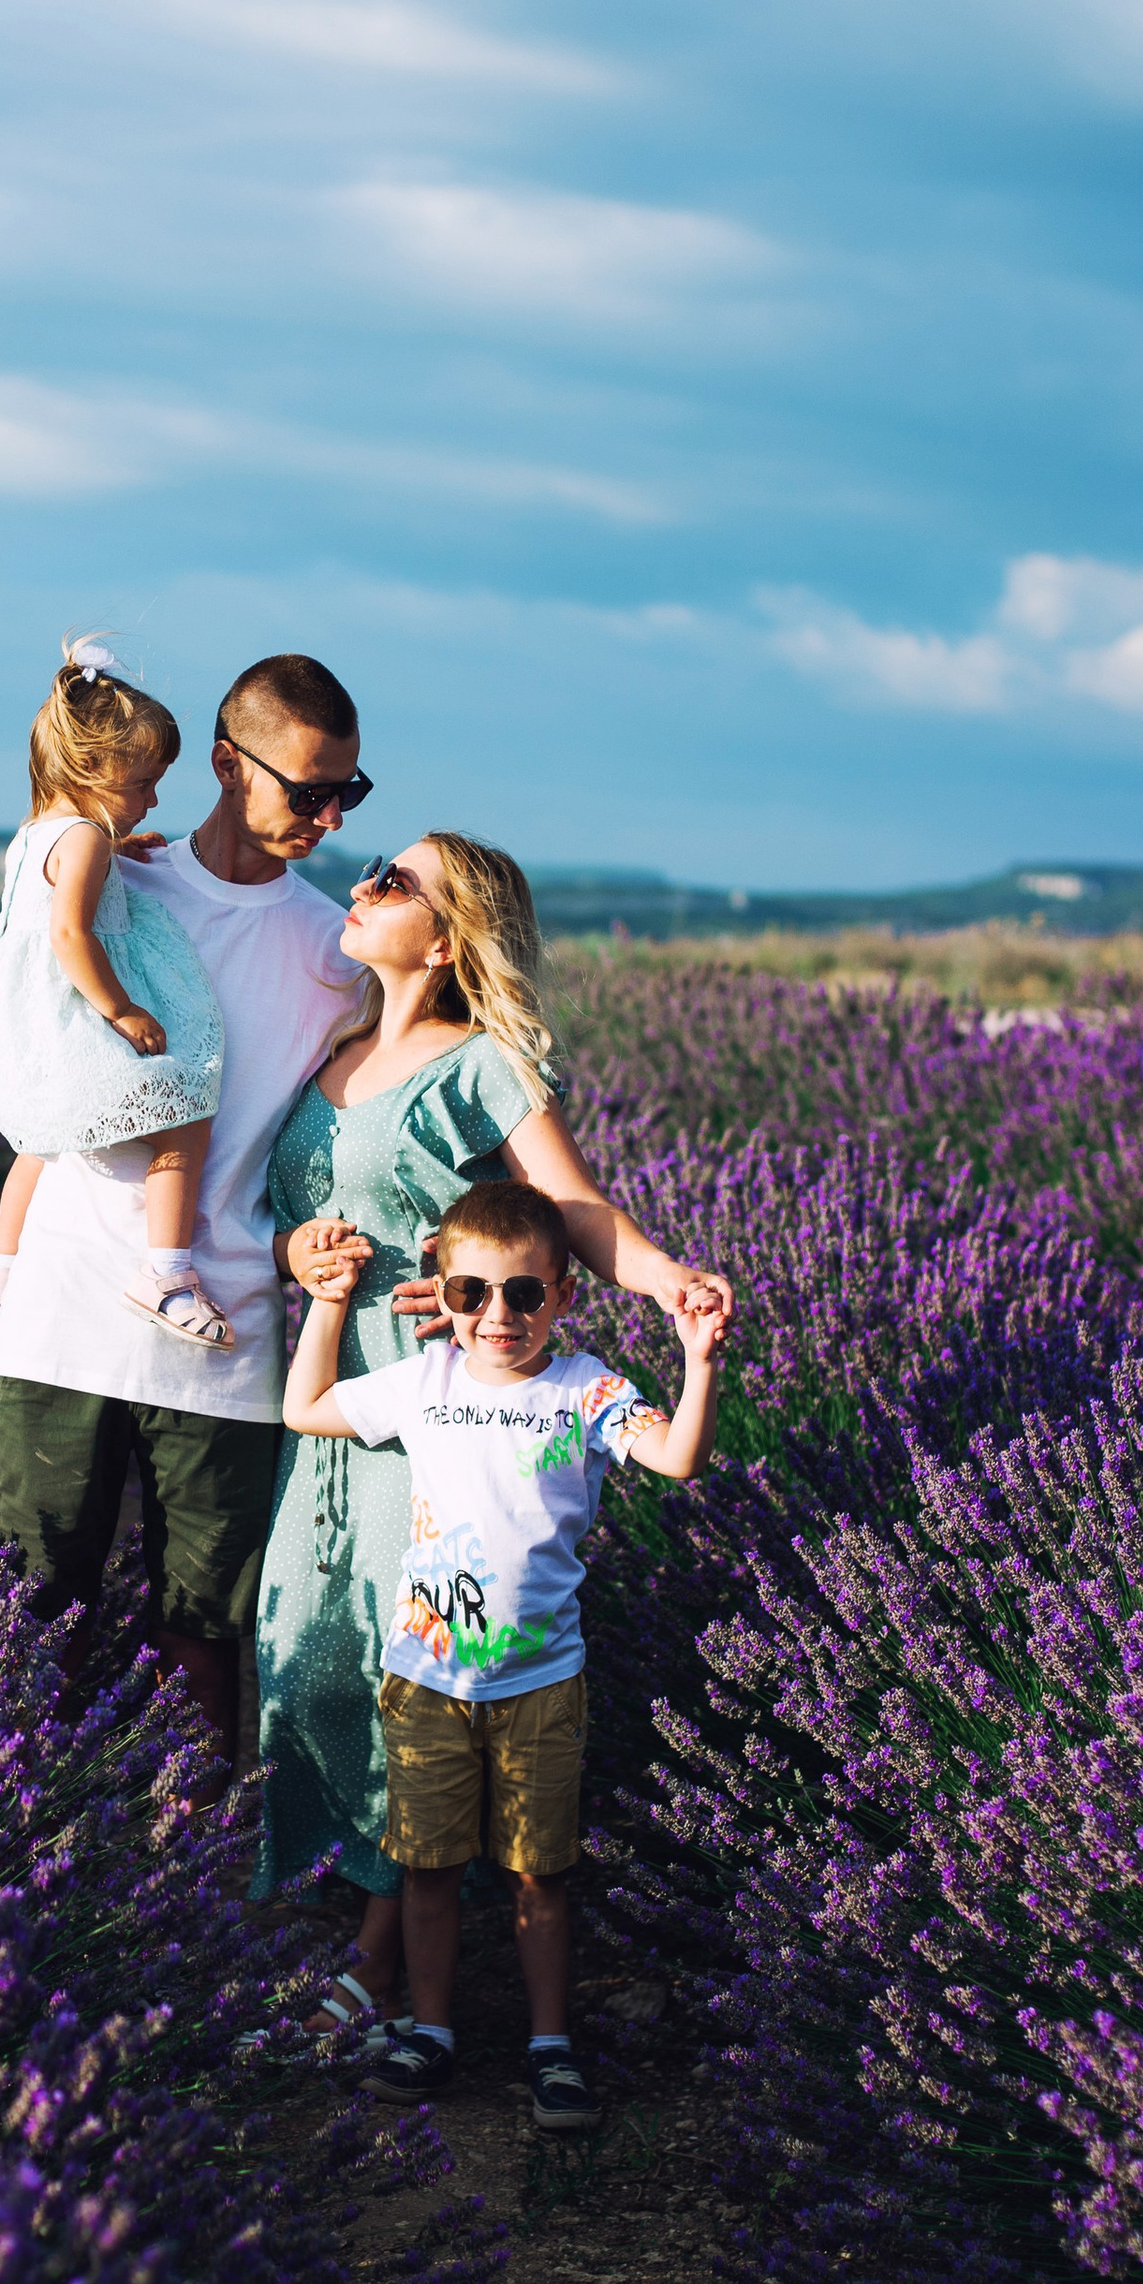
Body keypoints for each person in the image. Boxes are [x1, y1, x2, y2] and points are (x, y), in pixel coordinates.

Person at [256, 831, 733, 2049]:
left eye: (393, 882)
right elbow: (292, 1215)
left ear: (451, 932)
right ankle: (369, 1927)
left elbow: (568, 1207)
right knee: (309, 1657)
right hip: (324, 1386)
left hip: (438, 1406)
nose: (361, 887)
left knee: (401, 1665)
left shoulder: (483, 1064)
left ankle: (376, 1973)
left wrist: (668, 1284)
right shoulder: (333, 1048)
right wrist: (292, 1256)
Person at [0, 652, 374, 1763]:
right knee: (40, 1616)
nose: (325, 818)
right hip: (62, 1313)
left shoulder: (338, 955)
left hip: (223, 1330)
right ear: (228, 764)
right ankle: (35, 1853)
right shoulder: (115, 877)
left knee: (207, 1637)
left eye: (348, 795)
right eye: (306, 789)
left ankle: (200, 1884)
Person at [283, 1174, 722, 2127]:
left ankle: (551, 2045)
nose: (497, 1315)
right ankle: (431, 2031)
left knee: (540, 1875)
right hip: (426, 1680)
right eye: (470, 1292)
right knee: (428, 1870)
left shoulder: (588, 1389)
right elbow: (305, 1407)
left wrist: (698, 1361)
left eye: (525, 1293)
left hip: (541, 1685)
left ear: (564, 1296)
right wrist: (324, 1303)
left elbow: (679, 1457)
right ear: (441, 1295)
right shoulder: (425, 1380)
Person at [0, 638, 231, 1347]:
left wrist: (113, 848)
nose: (153, 799)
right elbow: (71, 936)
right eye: (142, 784)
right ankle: (166, 1273)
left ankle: (4, 1274)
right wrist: (123, 1009)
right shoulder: (85, 842)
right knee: (184, 1110)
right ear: (90, 768)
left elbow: (49, 891)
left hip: (8, 1016)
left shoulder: (34, 835)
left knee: (40, 1143)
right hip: (67, 1014)